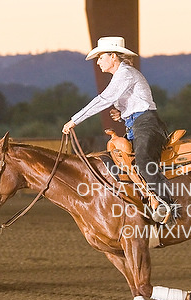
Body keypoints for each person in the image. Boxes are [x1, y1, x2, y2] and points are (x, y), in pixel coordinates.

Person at [62, 36, 174, 225]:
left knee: (143, 161)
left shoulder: (125, 74)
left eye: (100, 57)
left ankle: (167, 205)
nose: (98, 62)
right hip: (138, 124)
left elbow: (103, 99)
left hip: (147, 124)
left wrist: (74, 120)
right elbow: (134, 103)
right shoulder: (122, 75)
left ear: (113, 56)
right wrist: (121, 114)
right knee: (119, 163)